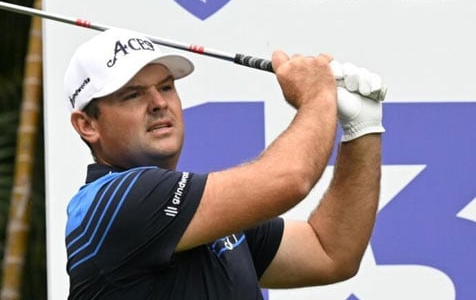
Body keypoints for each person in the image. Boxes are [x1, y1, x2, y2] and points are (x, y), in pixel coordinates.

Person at [62, 28, 385, 299]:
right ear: (87, 125)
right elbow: (291, 178)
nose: (159, 103)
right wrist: (317, 96)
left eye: (165, 87)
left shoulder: (187, 214)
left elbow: (330, 251)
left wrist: (362, 130)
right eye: (133, 95)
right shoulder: (115, 203)